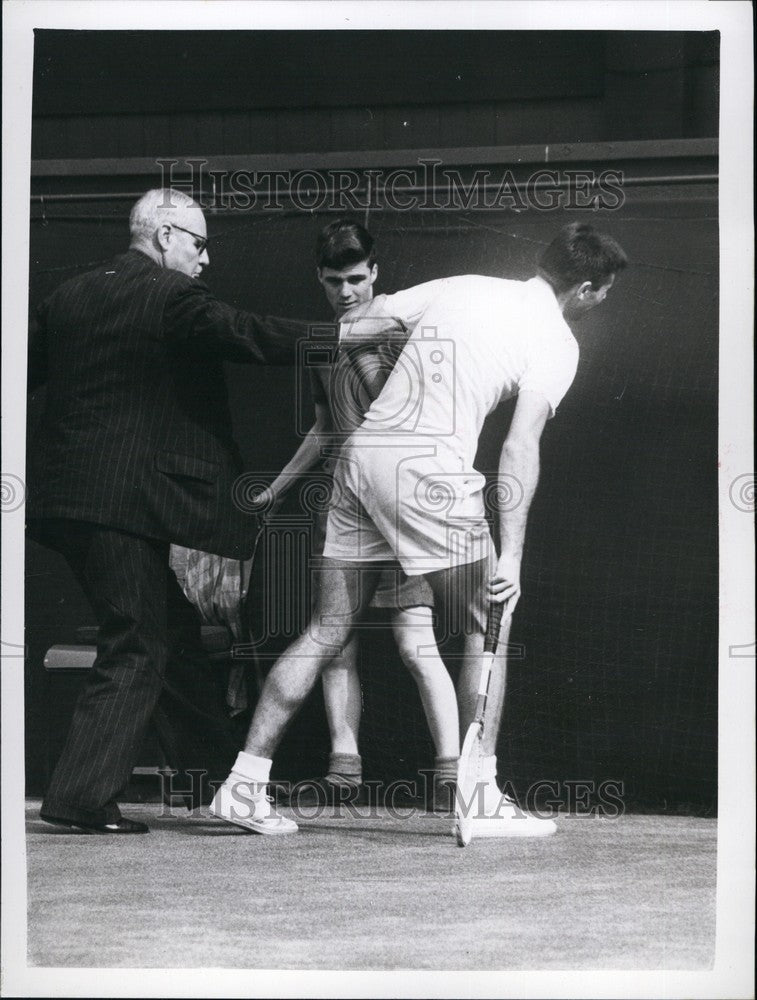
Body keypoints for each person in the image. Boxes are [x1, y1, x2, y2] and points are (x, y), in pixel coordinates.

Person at [210, 221, 627, 837]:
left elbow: (356, 324)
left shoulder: (465, 286)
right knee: (487, 625)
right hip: (427, 473)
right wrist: (510, 556)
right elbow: (518, 448)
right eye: (605, 292)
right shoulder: (557, 341)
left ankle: (243, 784)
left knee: (327, 630)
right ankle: (479, 797)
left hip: (361, 459)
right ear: (587, 289)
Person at [27, 188, 310, 834]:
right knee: (139, 643)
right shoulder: (170, 295)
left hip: (65, 500)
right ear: (162, 236)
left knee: (173, 635)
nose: (205, 261)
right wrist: (338, 336)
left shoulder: (68, 296)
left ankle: (221, 785)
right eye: (199, 243)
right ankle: (78, 796)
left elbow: (22, 373)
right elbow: (242, 332)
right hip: (120, 504)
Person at [250, 220, 458, 805]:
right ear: (320, 277)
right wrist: (276, 489)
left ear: (375, 272)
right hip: (342, 505)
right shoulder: (321, 338)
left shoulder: (397, 324)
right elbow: (324, 427)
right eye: (335, 281)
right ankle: (345, 768)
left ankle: (451, 776)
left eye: (357, 279)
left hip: (398, 502)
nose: (347, 291)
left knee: (416, 640)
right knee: (335, 642)